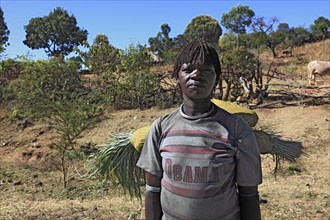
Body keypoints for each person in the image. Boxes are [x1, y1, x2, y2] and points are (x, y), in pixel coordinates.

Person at [137, 40, 262, 220]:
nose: (196, 75)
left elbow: (249, 195)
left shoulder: (236, 130)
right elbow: (152, 189)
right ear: (177, 76)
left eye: (206, 70)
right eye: (188, 69)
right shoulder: (160, 128)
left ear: (216, 78)